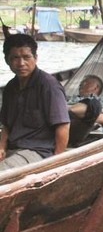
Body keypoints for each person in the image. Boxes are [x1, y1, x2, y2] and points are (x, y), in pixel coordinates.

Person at [0, 33, 70, 169]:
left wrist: (55, 164)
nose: (21, 63)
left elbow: (63, 126)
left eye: (26, 57)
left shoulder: (49, 85)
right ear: (7, 60)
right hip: (13, 148)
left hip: (38, 152)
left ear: (35, 58)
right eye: (15, 58)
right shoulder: (10, 87)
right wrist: (1, 147)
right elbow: (6, 126)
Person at [66, 74, 103, 146]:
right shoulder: (69, 98)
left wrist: (74, 114)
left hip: (82, 129)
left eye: (86, 82)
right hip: (62, 125)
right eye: (81, 83)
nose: (81, 84)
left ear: (96, 88)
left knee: (93, 104)